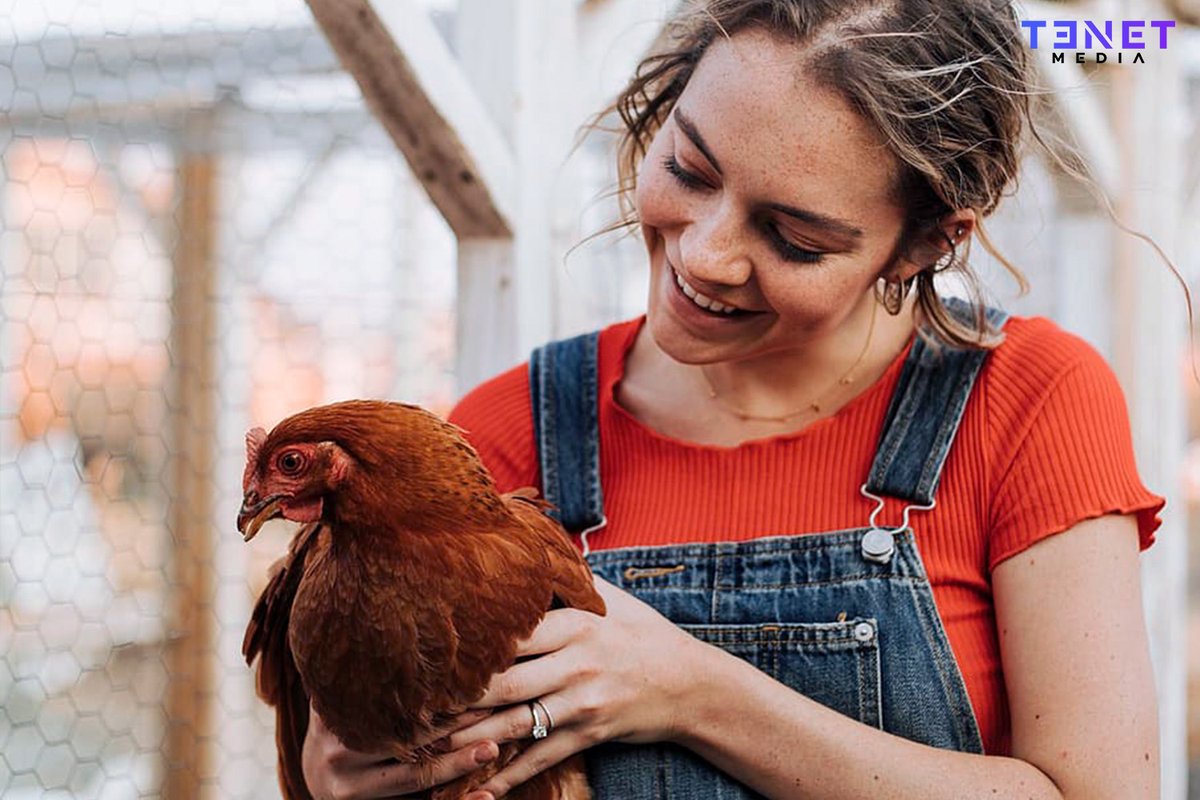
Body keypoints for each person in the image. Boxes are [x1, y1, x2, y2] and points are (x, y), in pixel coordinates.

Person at [301, 1, 1165, 797]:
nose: (707, 254)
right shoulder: (504, 434)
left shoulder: (1029, 401)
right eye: (689, 168)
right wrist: (355, 767)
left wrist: (694, 693)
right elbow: (356, 756)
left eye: (794, 238)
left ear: (925, 243)